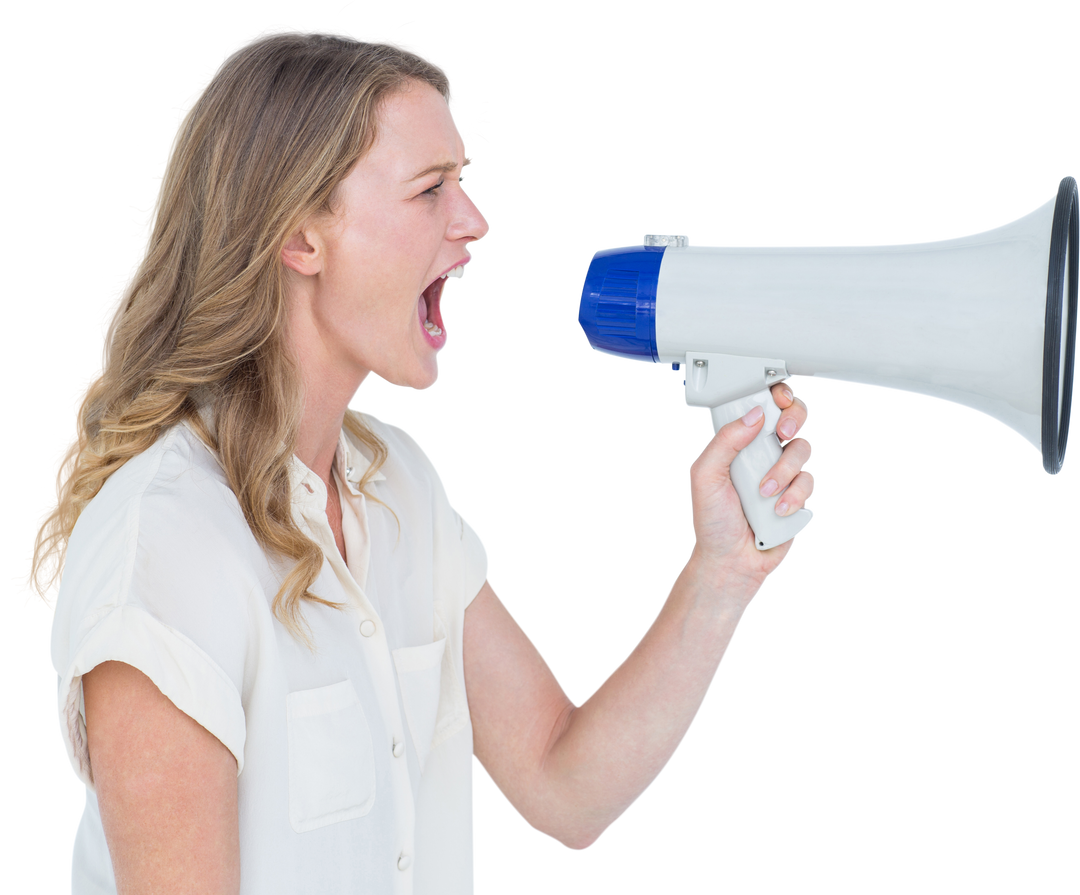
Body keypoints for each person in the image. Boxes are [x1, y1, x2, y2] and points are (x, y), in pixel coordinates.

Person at [47, 19, 814, 895]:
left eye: (466, 182)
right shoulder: (167, 544)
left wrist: (722, 572)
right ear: (302, 238)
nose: (476, 221)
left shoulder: (399, 484)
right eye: (429, 190)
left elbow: (565, 784)